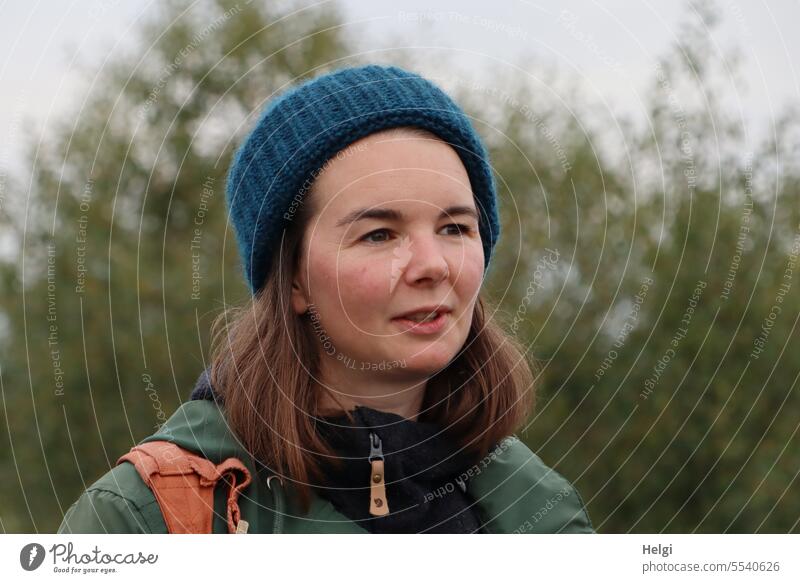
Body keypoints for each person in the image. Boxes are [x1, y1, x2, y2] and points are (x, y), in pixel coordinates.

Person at [58, 64, 593, 534]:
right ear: (292, 279)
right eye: (379, 234)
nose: (433, 265)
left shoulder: (541, 511)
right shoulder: (147, 519)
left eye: (455, 228)